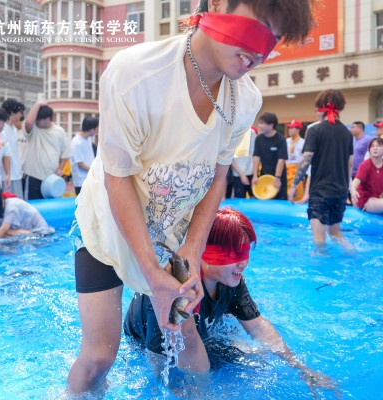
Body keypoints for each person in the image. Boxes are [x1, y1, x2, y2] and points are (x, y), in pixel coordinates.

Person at [66, 0, 315, 394]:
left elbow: (218, 179)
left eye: (276, 37)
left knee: (186, 337)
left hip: (172, 236)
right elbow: (118, 179)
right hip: (107, 226)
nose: (261, 49)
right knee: (100, 355)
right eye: (260, 26)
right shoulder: (136, 73)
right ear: (216, 4)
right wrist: (151, 273)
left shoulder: (246, 100)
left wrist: (191, 252)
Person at [124, 208, 339, 395]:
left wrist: (303, 370)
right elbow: (157, 361)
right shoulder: (171, 289)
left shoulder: (232, 281)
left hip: (199, 337)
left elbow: (257, 325)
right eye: (233, 254)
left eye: (245, 252)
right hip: (149, 347)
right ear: (203, 251)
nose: (244, 262)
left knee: (259, 361)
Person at [288, 89, 354, 253]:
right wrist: (347, 190)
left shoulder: (314, 130)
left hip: (320, 192)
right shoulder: (347, 133)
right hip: (340, 192)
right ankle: (354, 254)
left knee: (319, 240)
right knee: (336, 234)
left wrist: (294, 185)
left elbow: (306, 160)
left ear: (321, 108)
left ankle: (322, 265)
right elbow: (350, 164)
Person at [21, 102, 71, 200]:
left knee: (51, 207)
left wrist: (60, 169)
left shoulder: (59, 131)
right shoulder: (34, 129)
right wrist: (38, 104)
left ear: (48, 118)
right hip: (33, 177)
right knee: (32, 207)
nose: (36, 122)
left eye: (39, 119)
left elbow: (65, 154)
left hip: (52, 179)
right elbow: (28, 122)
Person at [350, 138, 383, 214]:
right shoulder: (365, 165)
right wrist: (353, 191)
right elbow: (356, 181)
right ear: (369, 150)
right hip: (366, 199)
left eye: (378, 146)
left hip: (377, 198)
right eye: (372, 146)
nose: (375, 148)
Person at [251, 112, 288, 200]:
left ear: (271, 125)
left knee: (280, 201)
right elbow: (256, 157)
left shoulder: (280, 139)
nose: (259, 125)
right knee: (264, 201)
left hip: (279, 176)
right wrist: (255, 175)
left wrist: (277, 178)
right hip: (264, 175)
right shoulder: (259, 139)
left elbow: (281, 160)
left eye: (262, 123)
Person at [0, 99, 26, 198]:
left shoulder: (14, 129)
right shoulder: (2, 129)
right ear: (12, 112)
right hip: (7, 175)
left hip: (16, 172)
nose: (21, 115)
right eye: (20, 112)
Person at [70, 117, 98, 195]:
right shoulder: (76, 143)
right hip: (81, 181)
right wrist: (95, 171)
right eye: (96, 129)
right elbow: (80, 164)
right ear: (92, 129)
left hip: (90, 178)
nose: (97, 131)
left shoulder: (87, 138)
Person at [230, 126, 256, 198]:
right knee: (240, 200)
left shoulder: (252, 133)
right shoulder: (232, 134)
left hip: (251, 173)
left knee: (253, 199)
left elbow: (255, 155)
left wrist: (255, 174)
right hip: (238, 174)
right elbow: (230, 158)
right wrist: (241, 175)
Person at [285, 119, 305, 201]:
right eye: (289, 128)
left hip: (297, 171)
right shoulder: (286, 141)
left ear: (298, 130)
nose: (289, 130)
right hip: (286, 171)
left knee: (297, 195)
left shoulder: (303, 142)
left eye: (292, 128)